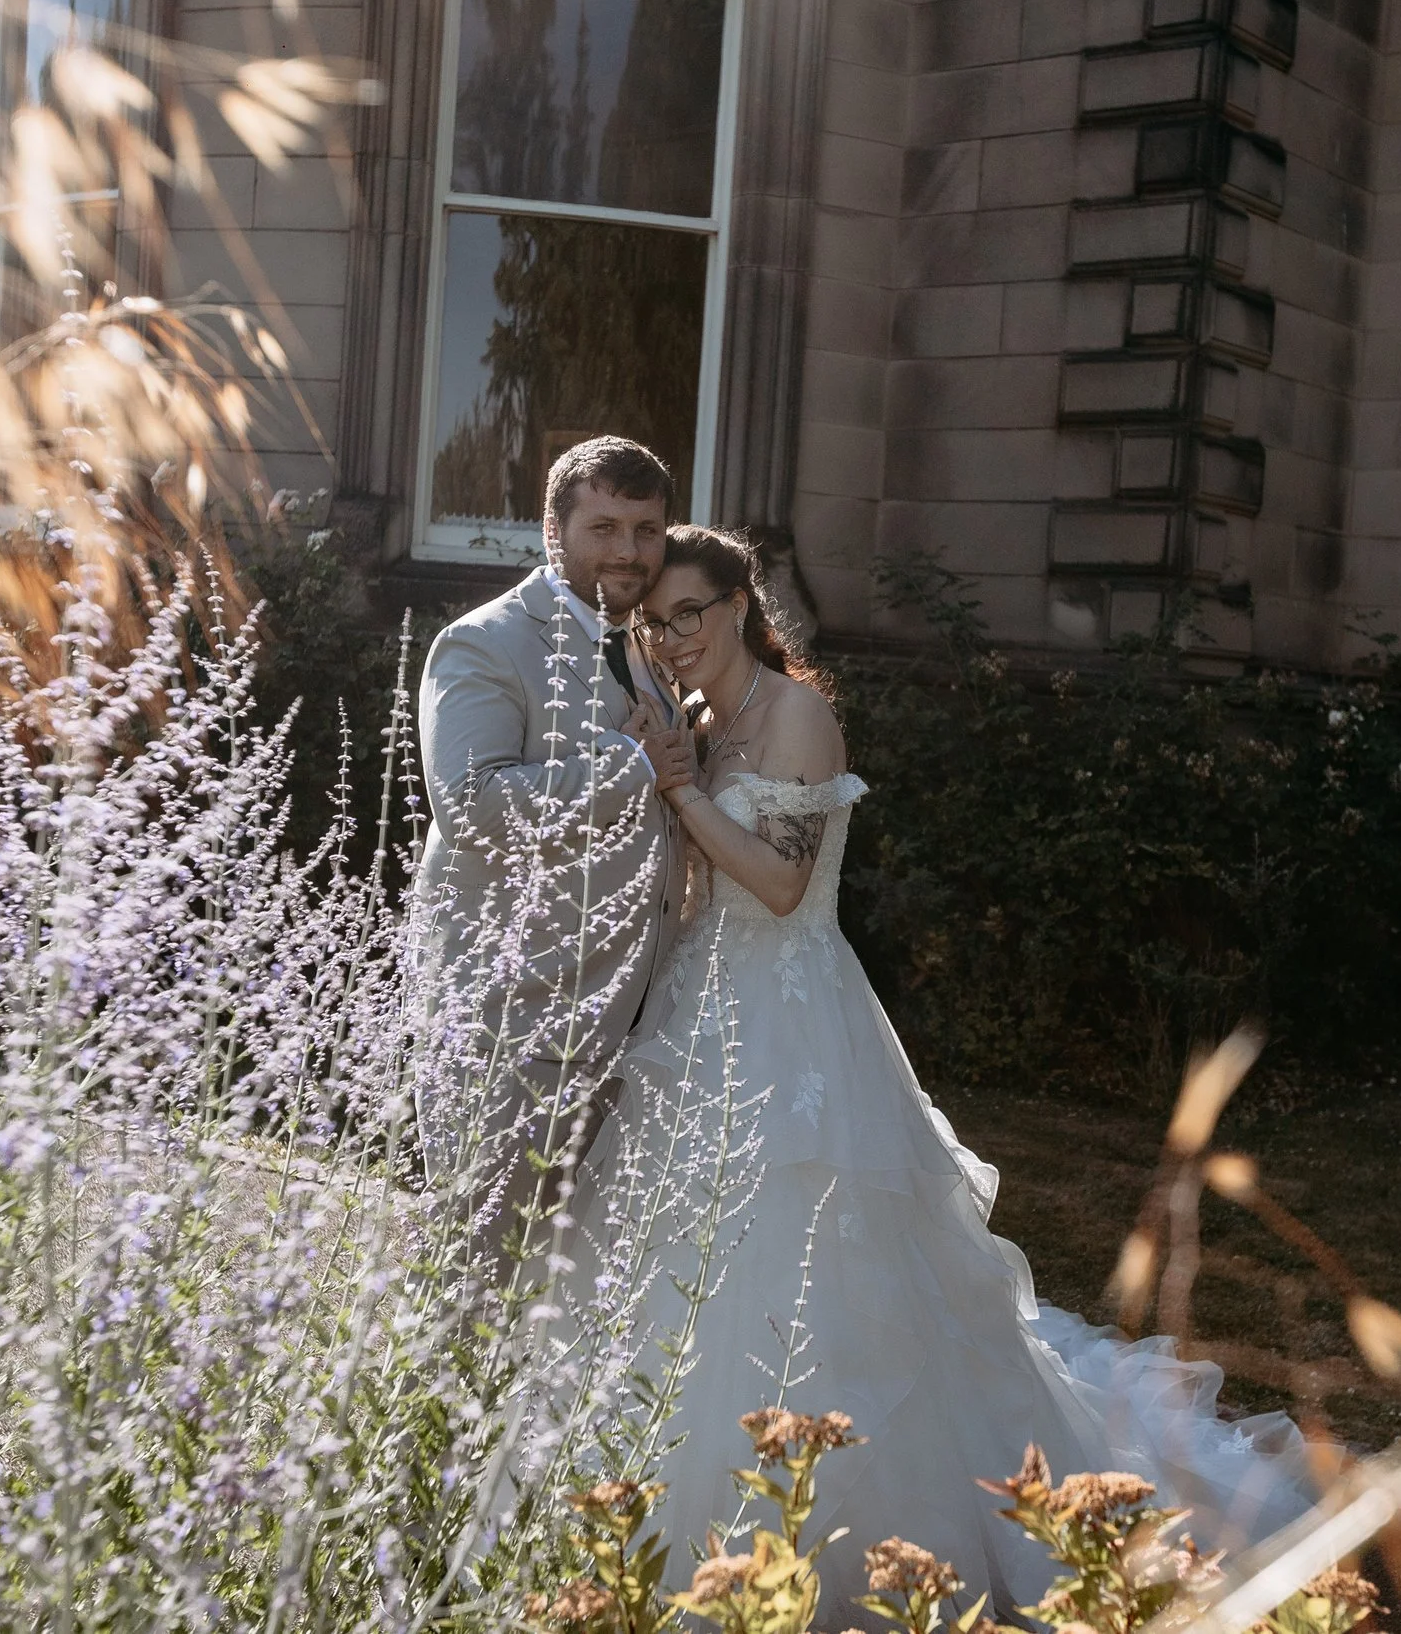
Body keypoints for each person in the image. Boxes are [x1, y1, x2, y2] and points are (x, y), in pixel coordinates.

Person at [581, 525, 1312, 1613]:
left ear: (738, 603)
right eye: (654, 622)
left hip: (795, 1028)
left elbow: (780, 887)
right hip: (705, 1014)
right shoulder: (703, 723)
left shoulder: (798, 715)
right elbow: (700, 893)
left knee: (817, 1272)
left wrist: (680, 792)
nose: (672, 637)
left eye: (688, 612)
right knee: (675, 1263)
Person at [413, 436, 699, 1253]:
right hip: (511, 1020)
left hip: (628, 1025)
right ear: (553, 529)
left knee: (569, 1292)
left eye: (647, 530)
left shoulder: (649, 648)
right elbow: (470, 804)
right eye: (603, 527)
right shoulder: (485, 643)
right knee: (479, 1270)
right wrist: (629, 765)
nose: (629, 551)